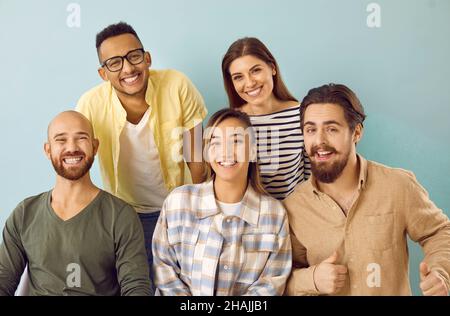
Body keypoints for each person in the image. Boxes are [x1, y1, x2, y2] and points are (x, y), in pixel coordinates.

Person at [284, 84, 450, 296]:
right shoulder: (293, 208)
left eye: (331, 129)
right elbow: (281, 278)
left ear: (357, 133)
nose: (319, 141)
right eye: (310, 130)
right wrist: (312, 279)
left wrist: (441, 272)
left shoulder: (398, 185)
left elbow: (439, 232)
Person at [76, 22, 208, 282]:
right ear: (103, 73)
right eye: (115, 63)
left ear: (147, 58)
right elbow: (80, 163)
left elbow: (196, 155)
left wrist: (199, 212)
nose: (128, 68)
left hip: (181, 206)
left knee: (192, 280)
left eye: (134, 56)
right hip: (128, 215)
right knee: (140, 282)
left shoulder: (177, 85)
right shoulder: (89, 105)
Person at [0, 111, 152, 296]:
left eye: (81, 138)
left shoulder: (120, 215)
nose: (71, 148)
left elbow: (136, 287)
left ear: (95, 147)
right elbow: (3, 280)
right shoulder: (24, 214)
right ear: (48, 150)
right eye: (61, 140)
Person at [152, 109, 292, 295]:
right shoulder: (178, 202)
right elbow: (164, 271)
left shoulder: (274, 214)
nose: (225, 151)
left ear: (252, 151)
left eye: (236, 141)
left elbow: (271, 284)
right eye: (215, 142)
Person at [222, 37, 310, 200]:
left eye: (255, 70)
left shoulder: (302, 114)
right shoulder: (230, 124)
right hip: (249, 219)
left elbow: (312, 178)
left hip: (296, 216)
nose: (249, 83)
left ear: (272, 68)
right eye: (238, 77)